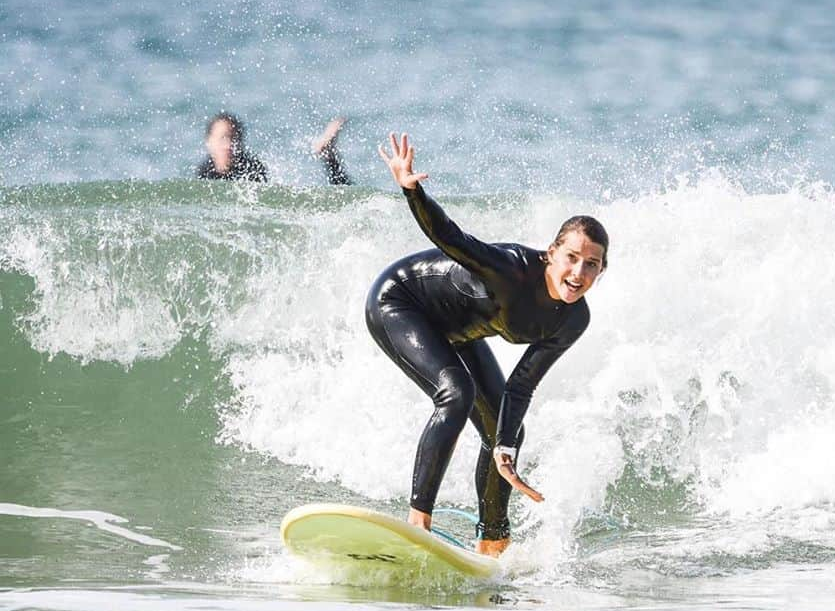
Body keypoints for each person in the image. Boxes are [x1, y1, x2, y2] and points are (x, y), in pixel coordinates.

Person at [366, 133, 608, 557]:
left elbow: (521, 386)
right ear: (551, 253)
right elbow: (452, 239)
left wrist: (507, 446)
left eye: (592, 264)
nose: (579, 272)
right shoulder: (512, 270)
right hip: (400, 302)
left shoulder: (574, 319)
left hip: (457, 333)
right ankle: (418, 522)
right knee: (456, 394)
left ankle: (493, 539)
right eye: (572, 257)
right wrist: (411, 189)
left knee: (505, 429)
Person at [196, 112, 353, 184]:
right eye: (223, 138)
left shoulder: (252, 168)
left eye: (234, 138)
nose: (229, 145)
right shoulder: (204, 173)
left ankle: (329, 156)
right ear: (208, 142)